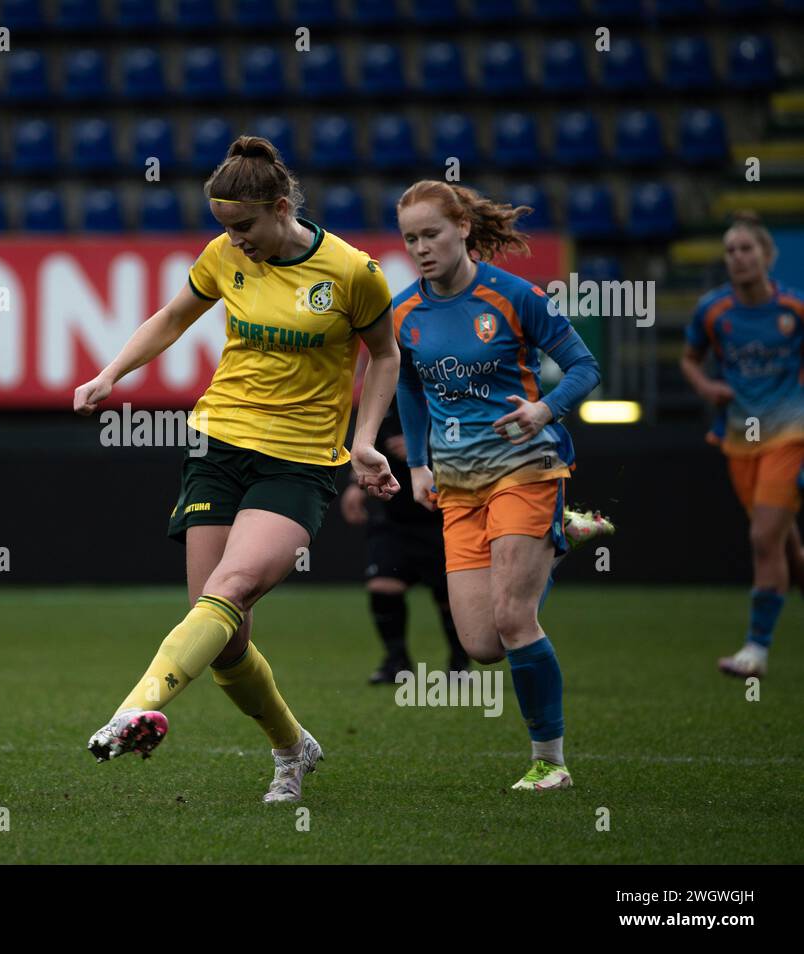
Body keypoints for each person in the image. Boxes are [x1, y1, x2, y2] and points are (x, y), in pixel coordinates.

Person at [73, 136, 400, 803]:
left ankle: (134, 706)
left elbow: (385, 356)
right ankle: (291, 747)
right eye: (224, 227)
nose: (234, 239)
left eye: (244, 225)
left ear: (281, 207)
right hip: (218, 447)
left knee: (235, 584)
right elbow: (171, 317)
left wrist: (364, 439)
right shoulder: (224, 254)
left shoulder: (352, 272)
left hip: (300, 459)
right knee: (223, 638)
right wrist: (111, 373)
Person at [393, 181, 601, 791]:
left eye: (431, 234)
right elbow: (408, 385)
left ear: (461, 227)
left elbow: (586, 366)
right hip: (457, 485)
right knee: (482, 644)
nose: (421, 248)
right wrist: (419, 466)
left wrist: (546, 410)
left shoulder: (514, 297)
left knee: (514, 618)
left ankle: (550, 762)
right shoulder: (405, 312)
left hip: (526, 465)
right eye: (411, 239)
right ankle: (556, 535)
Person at [681, 211, 804, 677]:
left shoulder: (794, 309)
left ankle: (756, 650)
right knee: (784, 548)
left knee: (761, 539)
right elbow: (691, 358)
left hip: (789, 435)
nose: (738, 258)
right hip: (739, 440)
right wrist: (706, 388)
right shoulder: (714, 310)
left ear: (768, 256)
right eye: (730, 251)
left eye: (746, 249)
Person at [340, 401, 468, 683]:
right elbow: (365, 442)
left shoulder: (446, 392)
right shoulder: (382, 396)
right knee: (382, 584)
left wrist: (424, 450)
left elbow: (472, 444)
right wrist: (354, 485)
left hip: (441, 512)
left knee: (448, 593)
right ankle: (396, 663)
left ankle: (459, 666)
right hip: (392, 512)